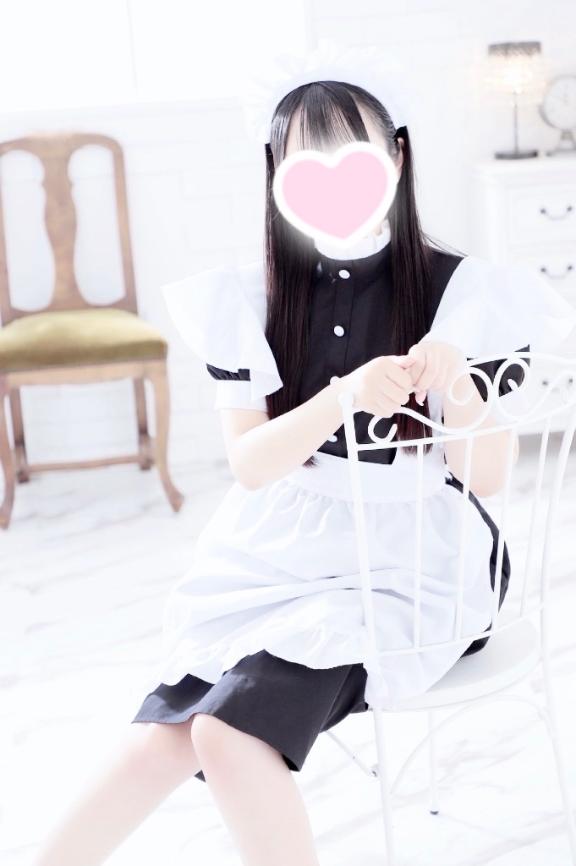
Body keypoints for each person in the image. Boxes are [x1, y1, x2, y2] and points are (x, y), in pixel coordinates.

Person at [33, 41, 576, 866]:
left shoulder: (458, 291)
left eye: (352, 156)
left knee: (225, 732)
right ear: (275, 175)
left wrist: (457, 381)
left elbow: (490, 477)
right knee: (163, 736)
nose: (333, 182)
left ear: (397, 157)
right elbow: (251, 465)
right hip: (280, 554)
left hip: (411, 563)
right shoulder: (251, 297)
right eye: (305, 163)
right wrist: (342, 397)